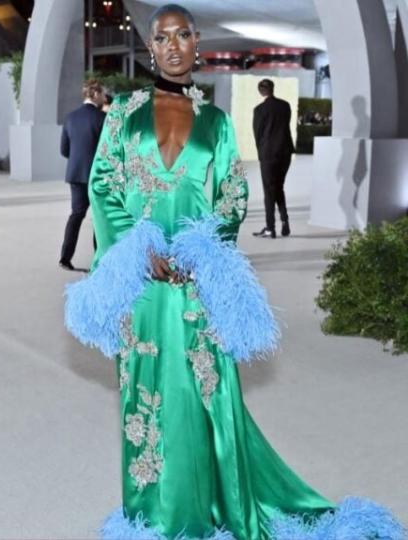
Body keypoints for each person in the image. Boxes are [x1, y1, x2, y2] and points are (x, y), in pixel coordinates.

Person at [64, 5, 404, 539]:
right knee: (147, 397)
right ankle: (155, 517)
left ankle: (220, 508)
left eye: (182, 35)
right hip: (144, 287)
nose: (173, 45)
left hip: (200, 285)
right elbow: (103, 185)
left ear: (197, 43)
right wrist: (137, 246)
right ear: (150, 48)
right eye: (162, 37)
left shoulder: (217, 123)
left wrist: (200, 253)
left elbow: (230, 198)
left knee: (208, 396)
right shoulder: (124, 113)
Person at [59, 79, 106, 271]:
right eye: (103, 93)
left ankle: (65, 257)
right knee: (99, 219)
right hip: (97, 176)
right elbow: (107, 149)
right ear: (95, 94)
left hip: (76, 175)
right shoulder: (102, 119)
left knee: (76, 215)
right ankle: (99, 260)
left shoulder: (70, 117)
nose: (105, 97)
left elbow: (64, 150)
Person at [252, 78, 294, 238]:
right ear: (273, 89)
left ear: (260, 91)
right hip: (285, 152)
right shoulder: (285, 106)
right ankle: (285, 222)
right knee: (278, 188)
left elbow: (258, 134)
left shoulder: (259, 110)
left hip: (269, 154)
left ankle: (270, 227)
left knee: (269, 192)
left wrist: (261, 153)